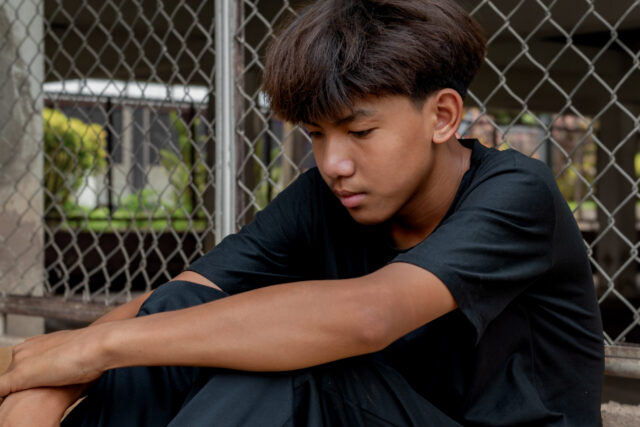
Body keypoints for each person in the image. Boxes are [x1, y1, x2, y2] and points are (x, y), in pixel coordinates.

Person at [0, 0, 604, 425]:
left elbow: (368, 315)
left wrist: (92, 350)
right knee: (186, 315)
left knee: (299, 369)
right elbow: (180, 296)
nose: (334, 161)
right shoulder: (326, 194)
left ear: (442, 116)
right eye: (315, 134)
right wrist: (44, 393)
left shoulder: (516, 192)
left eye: (360, 131)